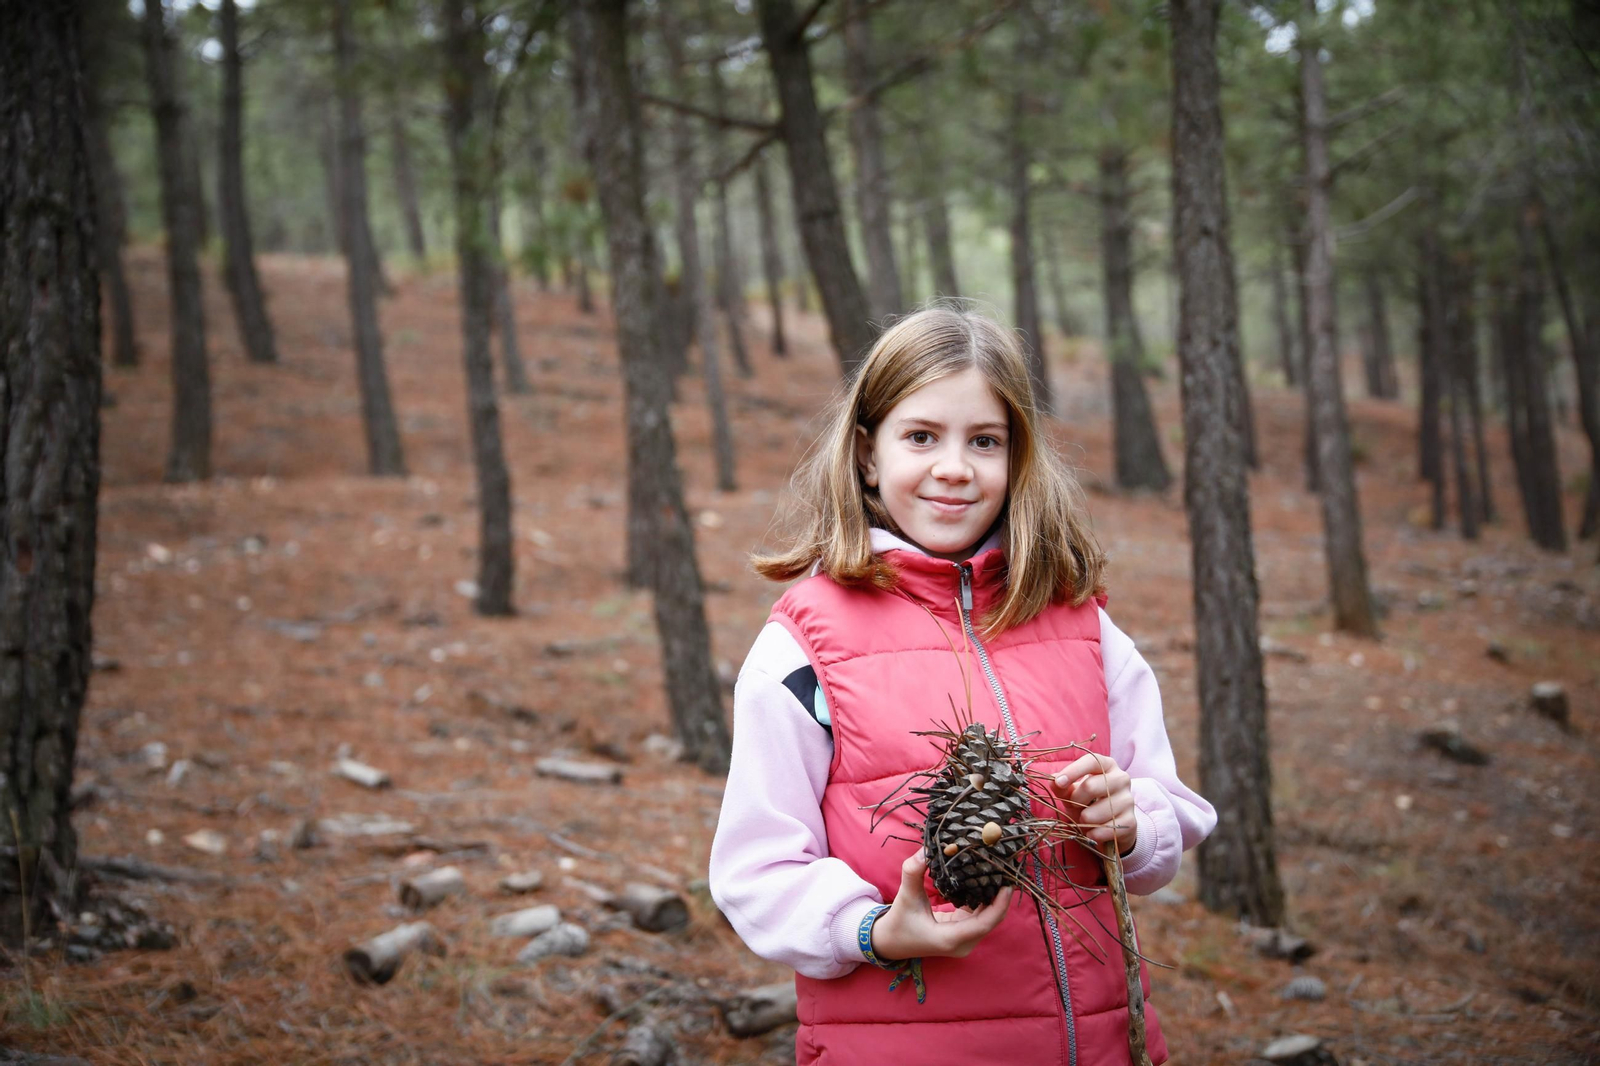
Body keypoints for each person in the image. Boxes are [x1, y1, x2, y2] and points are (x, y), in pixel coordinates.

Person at [709, 304, 1216, 1065]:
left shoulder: (1080, 622)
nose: (954, 467)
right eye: (921, 437)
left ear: (1018, 459)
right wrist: (873, 930)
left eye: (985, 441)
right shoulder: (805, 642)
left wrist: (1133, 821)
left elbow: (1165, 813)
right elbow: (756, 869)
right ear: (868, 455)